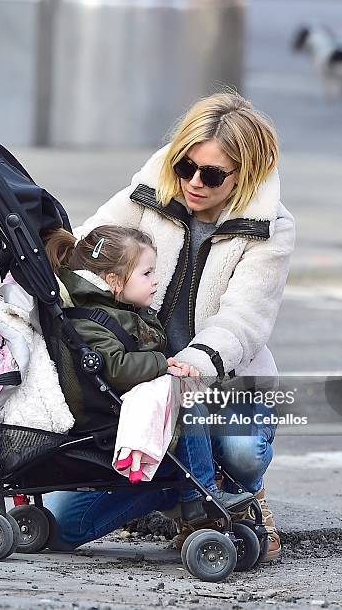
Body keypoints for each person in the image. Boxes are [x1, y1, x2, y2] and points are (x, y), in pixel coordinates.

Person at [46, 91, 295, 561]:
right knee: (60, 526)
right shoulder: (148, 193)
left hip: (227, 381)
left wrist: (194, 362)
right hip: (148, 384)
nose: (194, 183)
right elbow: (84, 252)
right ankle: (184, 494)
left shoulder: (272, 228)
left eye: (212, 175)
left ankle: (243, 499)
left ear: (245, 175)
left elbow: (244, 318)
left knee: (241, 452)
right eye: (186, 167)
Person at [44, 223, 255, 522]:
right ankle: (200, 495)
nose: (156, 281)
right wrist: (163, 363)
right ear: (115, 281)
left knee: (189, 393)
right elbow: (115, 368)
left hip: (124, 403)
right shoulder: (89, 322)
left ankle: (200, 491)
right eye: (147, 273)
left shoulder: (123, 311)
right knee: (186, 402)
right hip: (102, 419)